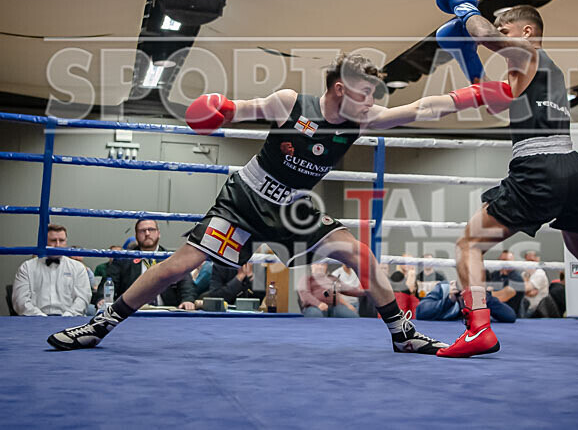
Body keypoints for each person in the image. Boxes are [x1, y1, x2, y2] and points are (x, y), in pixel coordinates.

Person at [48, 53, 508, 353]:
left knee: (359, 253)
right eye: (365, 94)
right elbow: (241, 110)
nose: (372, 104)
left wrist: (473, 95)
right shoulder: (292, 103)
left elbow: (421, 109)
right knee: (175, 267)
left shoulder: (362, 121)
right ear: (338, 89)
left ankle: (401, 334)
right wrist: (220, 110)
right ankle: (101, 325)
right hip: (245, 201)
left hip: (296, 209)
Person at [431, 0, 578, 357]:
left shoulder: (529, 54)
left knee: (469, 244)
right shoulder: (538, 72)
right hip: (570, 166)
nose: (498, 35)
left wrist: (467, 9)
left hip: (539, 166)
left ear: (526, 32)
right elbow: (495, 106)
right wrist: (466, 55)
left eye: (506, 30)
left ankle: (479, 328)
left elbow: (483, 33)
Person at [104, 219, 195, 310]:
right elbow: (108, 283)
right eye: (142, 231)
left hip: (166, 311)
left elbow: (186, 285)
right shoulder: (123, 259)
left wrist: (187, 300)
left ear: (158, 233)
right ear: (136, 235)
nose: (147, 233)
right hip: (132, 312)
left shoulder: (172, 258)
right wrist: (101, 299)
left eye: (151, 229)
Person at [12, 224, 91, 316]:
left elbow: (83, 298)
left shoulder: (78, 268)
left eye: (61, 240)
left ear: (66, 242)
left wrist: (67, 316)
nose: (57, 245)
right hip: (34, 320)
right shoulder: (27, 267)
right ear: (44, 242)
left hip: (70, 320)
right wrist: (40, 317)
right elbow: (20, 300)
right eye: (53, 241)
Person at [416, 280, 516, 323]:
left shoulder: (480, 297)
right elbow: (420, 312)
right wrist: (450, 300)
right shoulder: (444, 288)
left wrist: (487, 298)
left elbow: (510, 316)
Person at [298, 263, 363, 318]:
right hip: (314, 307)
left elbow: (348, 289)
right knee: (315, 315)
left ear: (326, 266)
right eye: (317, 264)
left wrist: (366, 292)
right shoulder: (307, 278)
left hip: (335, 307)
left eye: (323, 265)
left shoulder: (333, 278)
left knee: (353, 316)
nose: (320, 267)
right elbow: (305, 294)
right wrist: (318, 304)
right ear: (312, 265)